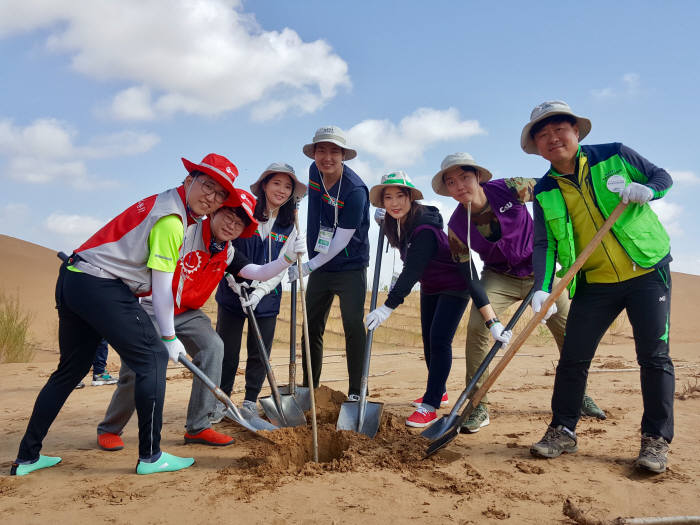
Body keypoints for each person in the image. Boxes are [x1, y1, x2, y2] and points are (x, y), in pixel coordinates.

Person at [11, 153, 239, 476]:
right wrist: (170, 338)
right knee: (154, 359)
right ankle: (151, 456)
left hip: (75, 277)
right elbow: (161, 289)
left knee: (71, 369)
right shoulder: (172, 220)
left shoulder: (170, 206)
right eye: (207, 186)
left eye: (219, 194)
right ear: (189, 180)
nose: (211, 198)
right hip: (100, 284)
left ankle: (28, 457)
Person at [522, 100, 674, 474]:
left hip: (645, 270)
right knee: (573, 357)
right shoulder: (544, 189)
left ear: (576, 132)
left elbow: (662, 176)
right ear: (537, 145)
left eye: (559, 130)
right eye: (543, 135)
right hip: (594, 281)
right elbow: (545, 243)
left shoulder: (615, 154)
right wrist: (542, 288)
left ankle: (655, 440)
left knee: (653, 358)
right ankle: (563, 430)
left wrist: (648, 190)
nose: (552, 138)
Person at [96, 188, 306, 449]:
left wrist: (286, 258)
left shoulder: (226, 251)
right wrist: (167, 334)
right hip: (152, 308)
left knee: (213, 348)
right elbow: (159, 284)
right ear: (215, 212)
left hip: (187, 312)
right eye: (229, 216)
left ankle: (198, 426)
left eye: (239, 223)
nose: (232, 225)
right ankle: (111, 427)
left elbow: (258, 272)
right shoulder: (186, 231)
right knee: (140, 367)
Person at [432, 152, 605, 434]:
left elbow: (551, 189)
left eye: (464, 177)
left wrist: (561, 238)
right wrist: (492, 321)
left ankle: (578, 395)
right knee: (476, 328)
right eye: (451, 182)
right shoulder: (456, 226)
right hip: (499, 277)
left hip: (540, 271)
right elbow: (470, 277)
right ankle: (477, 407)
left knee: (570, 333)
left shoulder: (509, 188)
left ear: (477, 177)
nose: (459, 186)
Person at [365, 171, 511, 427]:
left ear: (411, 198)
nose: (394, 203)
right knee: (429, 342)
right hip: (431, 286)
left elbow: (411, 270)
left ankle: (430, 405)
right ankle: (439, 389)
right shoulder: (399, 223)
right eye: (388, 198)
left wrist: (387, 307)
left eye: (400, 196)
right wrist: (383, 224)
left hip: (455, 285)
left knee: (440, 340)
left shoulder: (424, 228)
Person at [214, 163, 307, 421]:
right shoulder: (243, 212)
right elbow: (225, 245)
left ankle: (248, 401)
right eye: (276, 183)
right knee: (227, 352)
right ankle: (222, 400)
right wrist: (234, 280)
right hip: (233, 293)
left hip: (267, 297)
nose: (282, 190)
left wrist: (260, 291)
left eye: (288, 186)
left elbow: (281, 267)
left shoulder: (291, 226)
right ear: (264, 185)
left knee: (260, 353)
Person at [289, 126, 370, 400]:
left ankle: (357, 391)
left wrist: (309, 266)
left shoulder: (356, 190)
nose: (327, 157)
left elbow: (341, 242)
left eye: (334, 151)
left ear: (344, 156)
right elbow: (314, 211)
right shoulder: (314, 172)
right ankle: (309, 386)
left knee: (352, 326)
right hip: (321, 264)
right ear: (313, 153)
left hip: (350, 266)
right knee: (311, 327)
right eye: (321, 150)